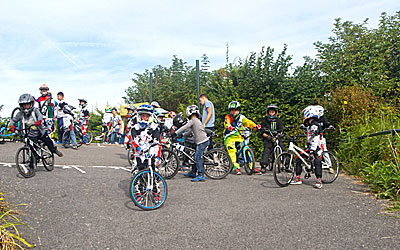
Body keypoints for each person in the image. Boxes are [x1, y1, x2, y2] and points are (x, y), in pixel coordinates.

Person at [9, 94, 63, 165]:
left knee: (47, 140)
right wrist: (11, 126)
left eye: (27, 105)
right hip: (30, 134)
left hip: (39, 132)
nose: (26, 107)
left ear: (31, 104)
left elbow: (40, 115)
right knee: (31, 149)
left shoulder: (35, 110)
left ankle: (54, 150)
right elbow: (13, 120)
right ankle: (32, 165)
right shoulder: (20, 114)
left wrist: (39, 121)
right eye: (24, 105)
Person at [173, 105, 209, 182]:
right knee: (194, 156)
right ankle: (193, 172)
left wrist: (175, 133)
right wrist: (182, 135)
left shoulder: (193, 121)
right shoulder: (197, 120)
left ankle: (201, 175)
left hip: (202, 142)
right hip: (203, 141)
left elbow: (185, 127)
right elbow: (190, 131)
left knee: (197, 157)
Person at [224, 101, 261, 175]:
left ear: (238, 110)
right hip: (229, 137)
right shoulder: (227, 117)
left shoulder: (242, 117)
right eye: (232, 110)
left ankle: (252, 167)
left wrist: (255, 126)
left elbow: (248, 122)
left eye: (235, 110)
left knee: (246, 148)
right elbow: (226, 123)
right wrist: (229, 126)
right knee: (232, 151)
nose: (234, 112)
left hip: (239, 137)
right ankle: (236, 167)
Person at [291, 106, 323, 189]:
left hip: (316, 148)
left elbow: (315, 137)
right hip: (310, 147)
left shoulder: (314, 125)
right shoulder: (310, 125)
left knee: (317, 160)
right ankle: (298, 178)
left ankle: (319, 180)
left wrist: (312, 150)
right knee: (299, 157)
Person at [130, 104, 162, 171]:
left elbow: (158, 143)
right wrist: (138, 148)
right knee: (137, 171)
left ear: (150, 117)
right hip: (139, 153)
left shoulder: (155, 128)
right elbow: (133, 141)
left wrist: (158, 156)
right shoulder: (134, 128)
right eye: (143, 116)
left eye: (147, 116)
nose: (144, 118)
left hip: (151, 153)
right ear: (139, 116)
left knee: (154, 170)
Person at [260, 104, 285, 173]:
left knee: (282, 148)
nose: (271, 113)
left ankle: (286, 164)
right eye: (270, 112)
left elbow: (281, 130)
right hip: (268, 138)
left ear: (275, 113)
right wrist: (268, 137)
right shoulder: (264, 120)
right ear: (268, 112)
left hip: (276, 138)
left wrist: (278, 135)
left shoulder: (278, 121)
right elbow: (262, 132)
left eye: (273, 112)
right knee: (267, 150)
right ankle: (263, 165)